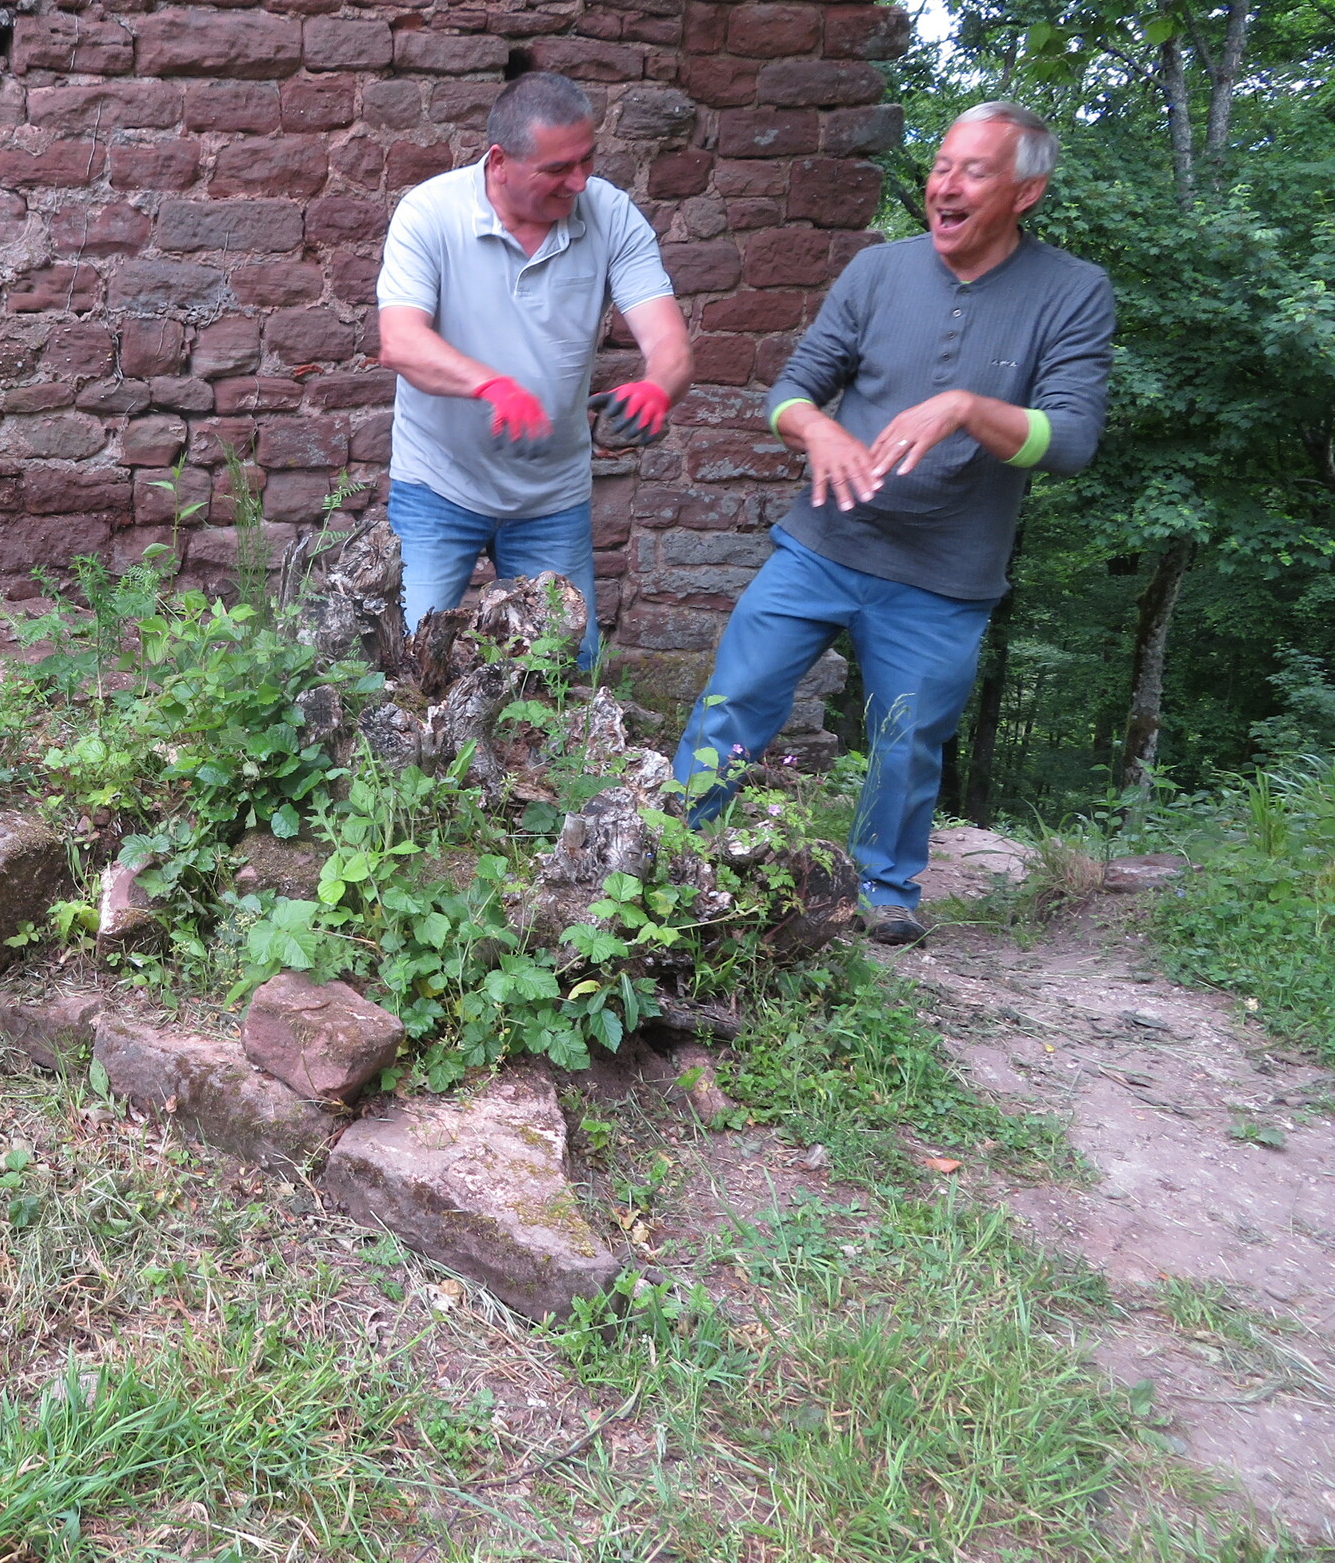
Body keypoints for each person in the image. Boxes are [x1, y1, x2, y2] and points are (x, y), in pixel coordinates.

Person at [670, 100, 1115, 943]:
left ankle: (884, 888)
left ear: (1026, 192)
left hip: (944, 574)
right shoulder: (878, 271)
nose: (945, 185)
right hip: (822, 544)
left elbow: (1071, 441)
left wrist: (965, 407)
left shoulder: (1071, 292)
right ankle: (671, 847)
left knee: (907, 740)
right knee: (736, 699)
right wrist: (815, 428)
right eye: (941, 166)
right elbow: (790, 391)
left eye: (972, 171)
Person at [374, 71, 693, 669]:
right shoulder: (430, 213)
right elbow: (400, 342)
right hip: (438, 484)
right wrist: (490, 385)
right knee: (405, 667)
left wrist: (659, 386)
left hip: (552, 497)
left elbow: (669, 342)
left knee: (565, 676)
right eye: (558, 169)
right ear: (499, 162)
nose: (579, 181)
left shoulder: (610, 215)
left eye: (587, 159)